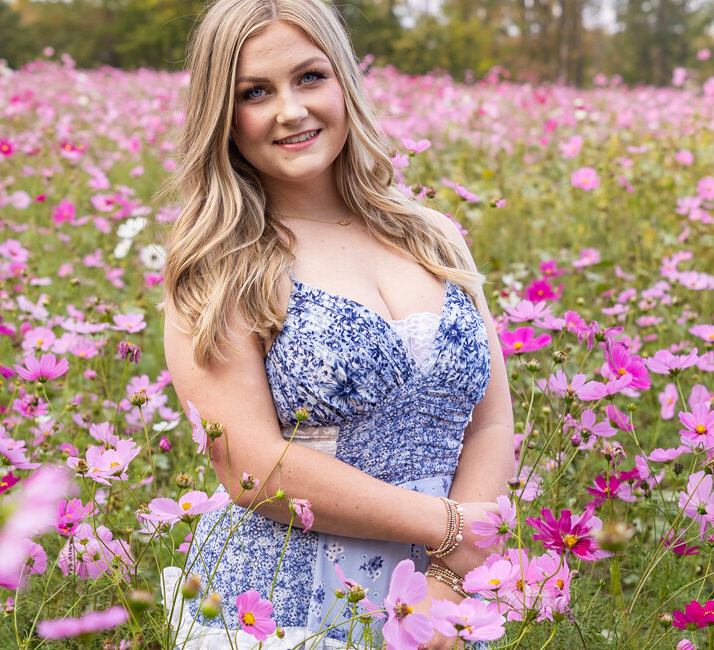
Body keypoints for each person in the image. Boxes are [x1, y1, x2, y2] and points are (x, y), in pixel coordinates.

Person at [158, 0, 514, 647]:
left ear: (343, 80)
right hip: (292, 607)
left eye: (310, 77)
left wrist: (451, 580)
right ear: (222, 113)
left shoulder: (432, 236)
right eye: (255, 92)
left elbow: (490, 420)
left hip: (449, 599)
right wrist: (451, 532)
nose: (290, 110)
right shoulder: (221, 261)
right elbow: (251, 467)